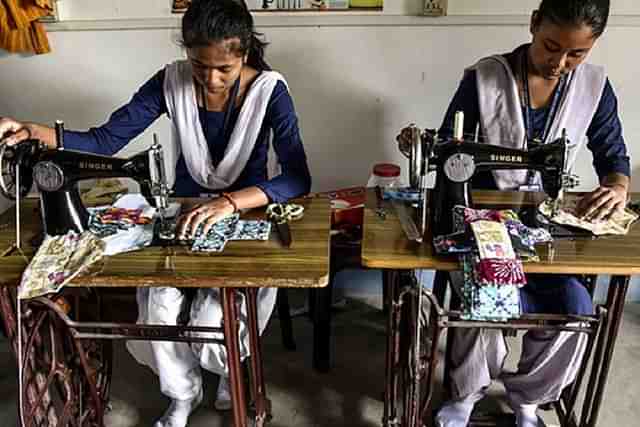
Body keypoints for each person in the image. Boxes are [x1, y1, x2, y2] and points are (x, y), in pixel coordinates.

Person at [0, 0, 311, 426]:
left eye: (225, 69)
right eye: (201, 66)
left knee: (212, 319)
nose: (212, 79)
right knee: (158, 310)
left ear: (245, 53)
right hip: (182, 212)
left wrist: (228, 202)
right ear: (186, 53)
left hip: (244, 212)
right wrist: (35, 131)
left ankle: (228, 375)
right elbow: (105, 141)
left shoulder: (270, 91)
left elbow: (297, 178)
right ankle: (183, 394)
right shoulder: (171, 82)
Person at [398, 1, 630, 426]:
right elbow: (453, 145)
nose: (560, 63)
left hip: (546, 228)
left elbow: (612, 152)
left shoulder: (595, 87)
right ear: (533, 23)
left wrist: (617, 185)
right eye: (550, 46)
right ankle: (466, 395)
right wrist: (424, 147)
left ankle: (528, 400)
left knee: (577, 310)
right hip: (482, 224)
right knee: (485, 296)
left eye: (576, 54)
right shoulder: (485, 78)